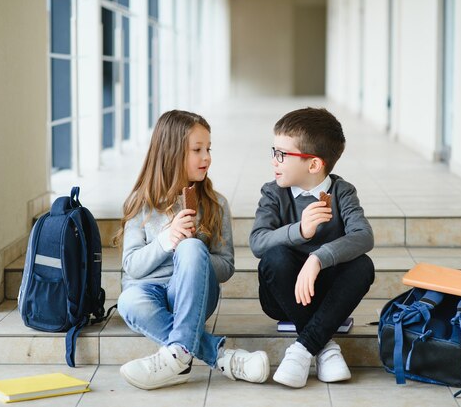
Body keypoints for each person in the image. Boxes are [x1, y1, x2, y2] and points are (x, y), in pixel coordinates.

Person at [115, 110, 270, 390]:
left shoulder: (216, 204)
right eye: (197, 150)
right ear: (171, 153)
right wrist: (167, 240)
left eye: (208, 149)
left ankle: (177, 354)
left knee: (191, 248)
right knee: (127, 302)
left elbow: (226, 267)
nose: (207, 157)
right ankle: (216, 356)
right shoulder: (142, 204)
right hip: (148, 292)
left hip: (194, 296)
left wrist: (194, 251)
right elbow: (132, 266)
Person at [250, 107, 375, 388]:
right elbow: (257, 242)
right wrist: (300, 231)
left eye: (282, 154)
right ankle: (324, 346)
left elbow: (364, 236)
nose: (274, 161)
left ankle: (303, 348)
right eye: (274, 151)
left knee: (363, 265)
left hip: (329, 295)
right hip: (283, 298)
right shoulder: (273, 192)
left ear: (314, 165)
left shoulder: (342, 192)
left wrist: (318, 258)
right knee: (275, 257)